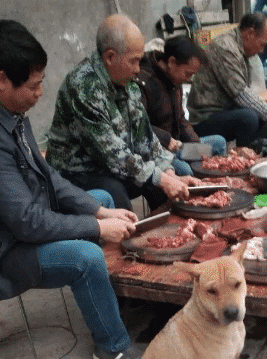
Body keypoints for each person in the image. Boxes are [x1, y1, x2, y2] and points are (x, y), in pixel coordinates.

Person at [0, 19, 143, 359]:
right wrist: (97, 230)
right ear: (3, 79)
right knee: (86, 255)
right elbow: (28, 223)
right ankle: (112, 347)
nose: (41, 93)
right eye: (35, 85)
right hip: (0, 250)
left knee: (105, 199)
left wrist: (97, 211)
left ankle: (113, 304)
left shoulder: (6, 105)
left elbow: (48, 175)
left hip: (23, 221)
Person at [46, 14, 200, 212]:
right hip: (77, 171)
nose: (138, 69)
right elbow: (112, 155)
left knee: (172, 175)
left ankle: (171, 235)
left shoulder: (124, 81)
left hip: (112, 164)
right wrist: (161, 178)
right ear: (110, 57)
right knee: (116, 192)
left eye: (140, 61)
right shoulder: (84, 86)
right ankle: (130, 240)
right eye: (133, 61)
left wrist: (169, 172)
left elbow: (144, 138)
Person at [136, 35, 226, 175]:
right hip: (158, 153)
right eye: (188, 74)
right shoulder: (144, 81)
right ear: (171, 62)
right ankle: (198, 189)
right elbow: (137, 126)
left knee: (219, 143)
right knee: (185, 170)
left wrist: (196, 146)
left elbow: (181, 120)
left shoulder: (174, 80)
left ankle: (214, 185)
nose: (188, 80)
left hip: (177, 148)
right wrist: (165, 139)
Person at [187, 12, 267, 147]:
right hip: (204, 118)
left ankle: (256, 155)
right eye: (261, 44)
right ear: (250, 33)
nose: (262, 50)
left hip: (224, 111)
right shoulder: (225, 48)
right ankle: (244, 161)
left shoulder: (241, 49)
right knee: (250, 118)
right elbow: (241, 94)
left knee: (261, 118)